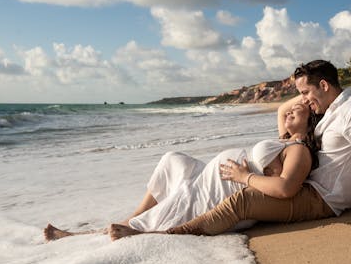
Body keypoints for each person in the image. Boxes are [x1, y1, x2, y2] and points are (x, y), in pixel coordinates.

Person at [110, 59, 351, 240]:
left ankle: (166, 235)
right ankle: (146, 224)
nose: (305, 101)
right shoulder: (336, 112)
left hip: (319, 199)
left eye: (308, 93)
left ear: (325, 86)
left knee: (239, 201)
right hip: (313, 186)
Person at [44, 102, 318, 241]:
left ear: (311, 117)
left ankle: (99, 234)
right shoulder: (284, 137)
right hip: (220, 176)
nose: (291, 111)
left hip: (228, 189)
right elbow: (283, 107)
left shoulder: (298, 149)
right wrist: (305, 97)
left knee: (182, 196)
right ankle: (133, 218)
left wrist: (244, 176)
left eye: (300, 109)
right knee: (172, 160)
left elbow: (283, 189)